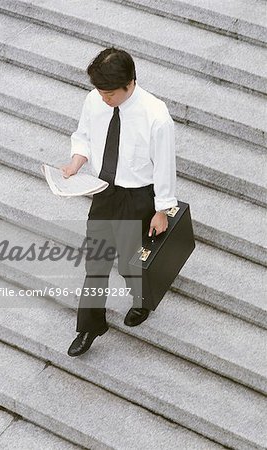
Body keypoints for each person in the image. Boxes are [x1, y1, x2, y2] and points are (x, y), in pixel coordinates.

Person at [61, 47, 178, 357]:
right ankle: (90, 325)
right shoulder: (94, 100)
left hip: (137, 196)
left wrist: (162, 210)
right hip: (104, 191)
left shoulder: (156, 115)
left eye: (110, 92)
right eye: (100, 91)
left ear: (130, 83)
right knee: (96, 263)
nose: (104, 98)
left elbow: (164, 165)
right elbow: (83, 134)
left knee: (130, 262)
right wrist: (76, 162)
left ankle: (142, 300)